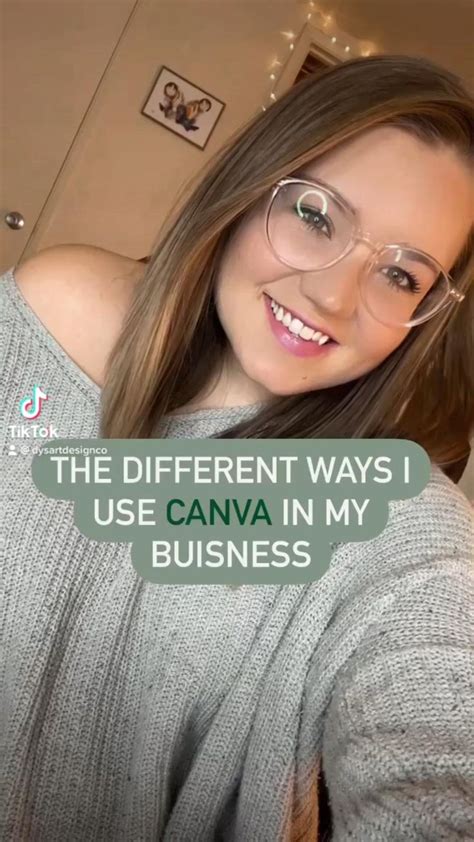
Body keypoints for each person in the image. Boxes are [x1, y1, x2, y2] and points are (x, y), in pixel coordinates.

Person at [1, 53, 473, 841]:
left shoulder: (389, 512)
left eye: (401, 276)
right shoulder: (53, 310)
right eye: (317, 216)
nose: (333, 296)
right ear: (254, 184)